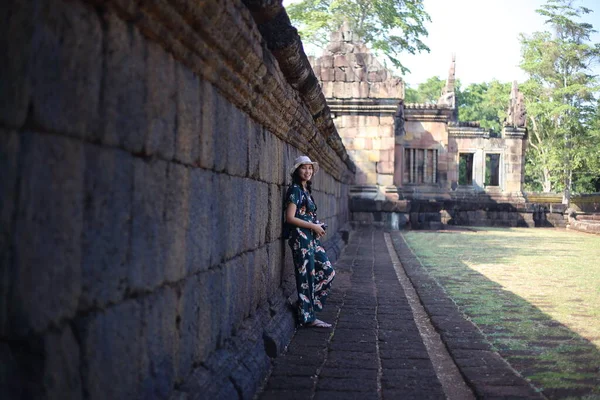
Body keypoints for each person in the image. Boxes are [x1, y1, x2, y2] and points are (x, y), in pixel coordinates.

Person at [284, 155, 335, 328]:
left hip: (310, 238)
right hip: (300, 238)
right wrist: (313, 226)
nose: (308, 171)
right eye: (304, 168)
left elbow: (305, 215)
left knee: (328, 271)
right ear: (297, 170)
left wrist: (317, 225)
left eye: (310, 168)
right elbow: (290, 218)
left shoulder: (306, 191)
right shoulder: (295, 190)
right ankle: (308, 317)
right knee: (306, 276)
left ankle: (304, 306)